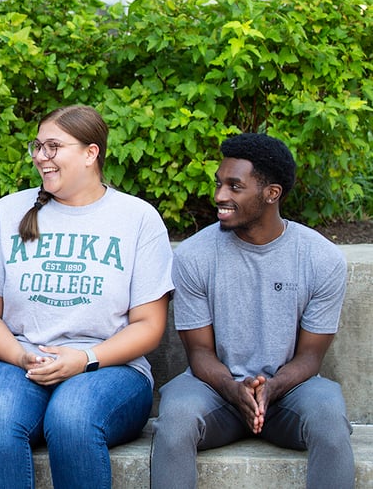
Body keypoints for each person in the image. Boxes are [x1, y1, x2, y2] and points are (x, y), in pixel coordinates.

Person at [0, 104, 173, 489]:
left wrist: (85, 359)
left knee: (72, 418)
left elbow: (149, 325)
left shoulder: (137, 219)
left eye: (53, 147)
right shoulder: (7, 213)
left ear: (91, 153)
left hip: (111, 368)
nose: (41, 157)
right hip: (21, 360)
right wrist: (19, 354)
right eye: (37, 146)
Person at [150, 132, 354, 488]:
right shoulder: (193, 256)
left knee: (328, 414)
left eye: (234, 186)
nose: (219, 196)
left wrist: (271, 388)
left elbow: (309, 358)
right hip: (215, 390)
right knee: (176, 417)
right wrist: (234, 390)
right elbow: (199, 353)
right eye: (218, 184)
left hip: (290, 392)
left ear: (271, 193)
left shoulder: (322, 260)